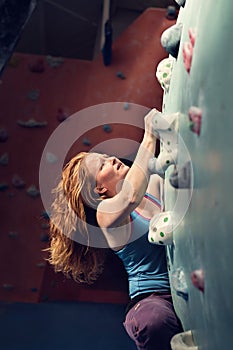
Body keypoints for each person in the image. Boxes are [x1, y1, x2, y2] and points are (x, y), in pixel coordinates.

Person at [47, 108, 183, 350]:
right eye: (101, 166)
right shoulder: (106, 215)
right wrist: (150, 136)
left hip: (183, 280)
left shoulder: (152, 183)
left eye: (105, 156)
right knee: (153, 321)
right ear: (98, 190)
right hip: (152, 299)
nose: (111, 159)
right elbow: (130, 195)